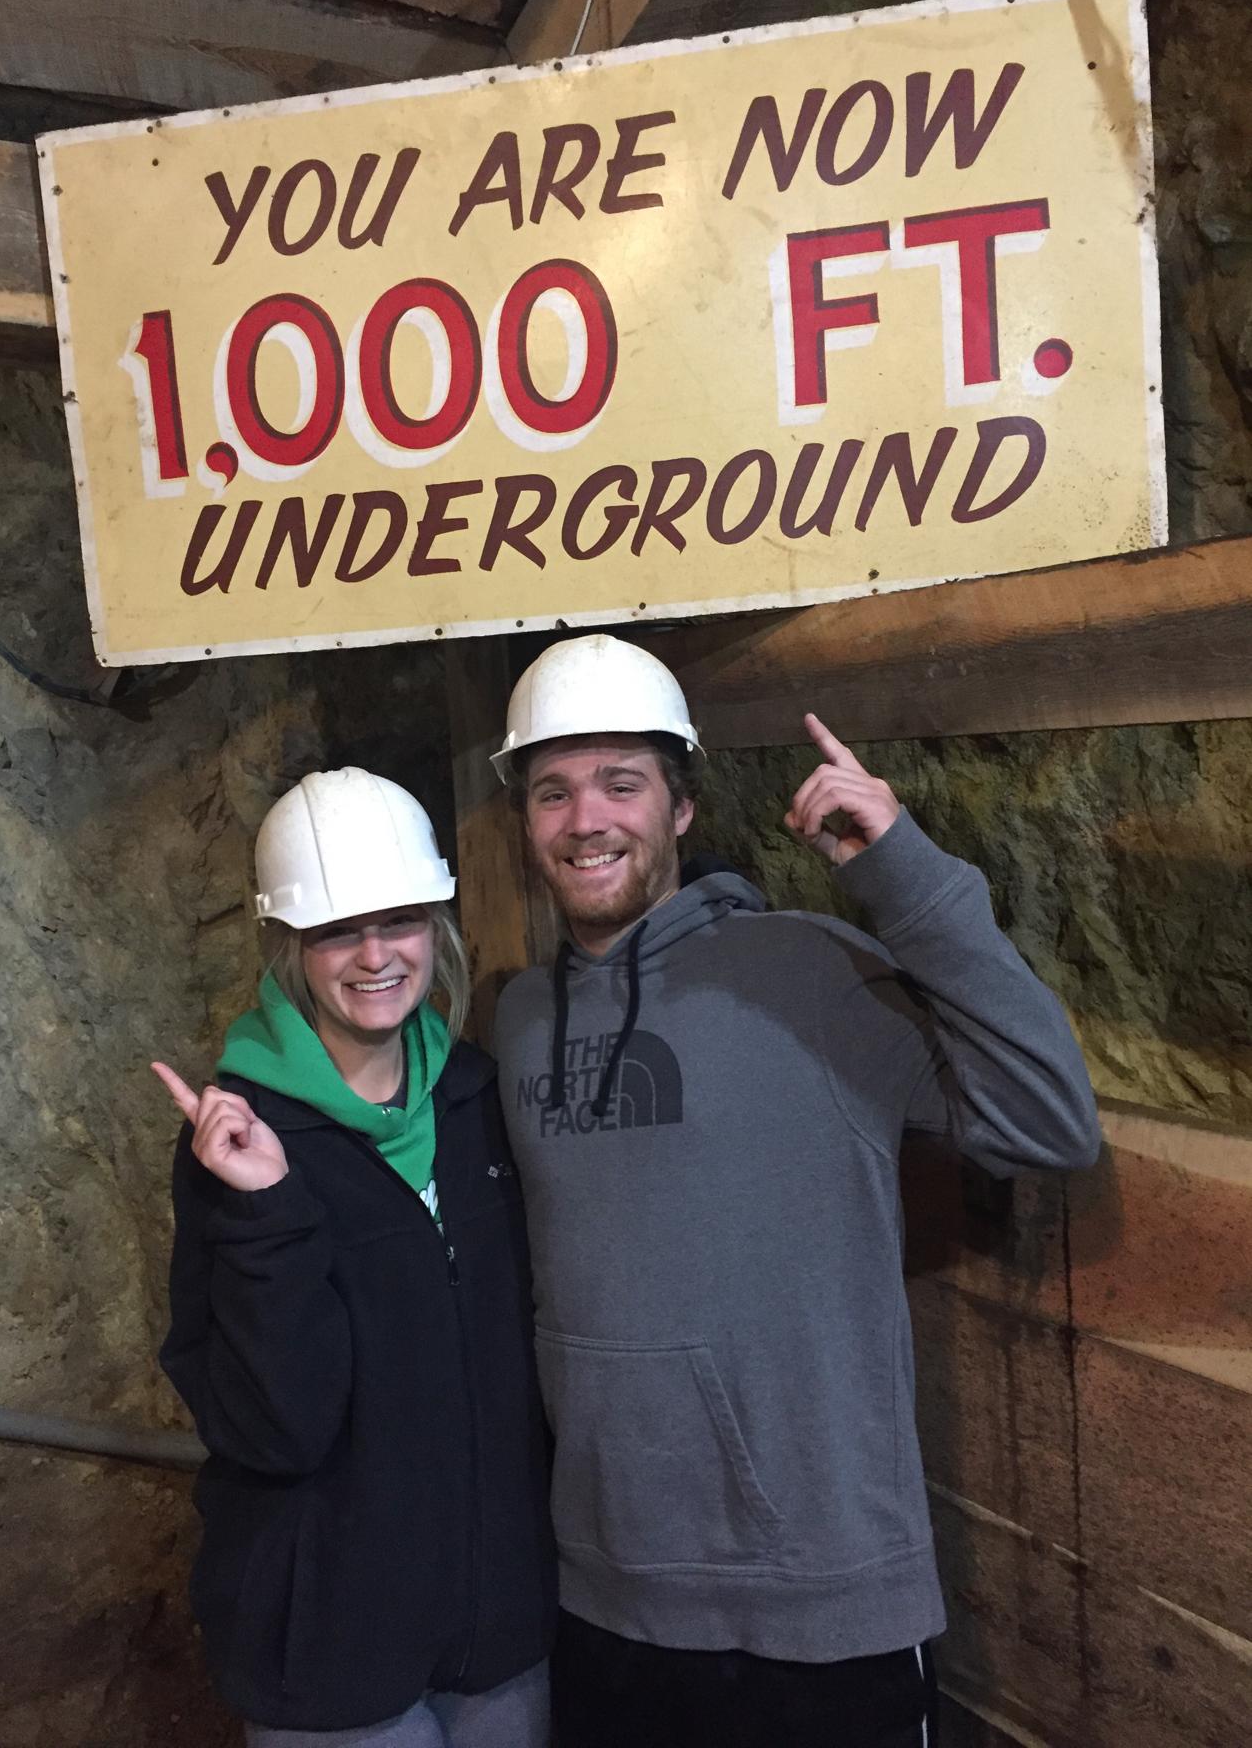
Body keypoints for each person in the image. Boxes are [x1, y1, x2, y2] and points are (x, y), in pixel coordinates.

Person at [490, 634, 1101, 1748]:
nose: (586, 820)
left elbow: (1048, 1120)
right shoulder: (523, 1018)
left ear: (681, 807)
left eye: (622, 784)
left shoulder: (809, 971)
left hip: (820, 1604)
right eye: (553, 791)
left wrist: (903, 873)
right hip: (607, 1598)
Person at [153, 768, 556, 1748]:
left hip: (500, 1623)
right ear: (290, 946)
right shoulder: (238, 1140)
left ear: (434, 927)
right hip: (333, 1643)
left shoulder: (478, 1099)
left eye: (399, 921)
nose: (376, 956)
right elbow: (276, 1428)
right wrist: (267, 1213)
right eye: (338, 930)